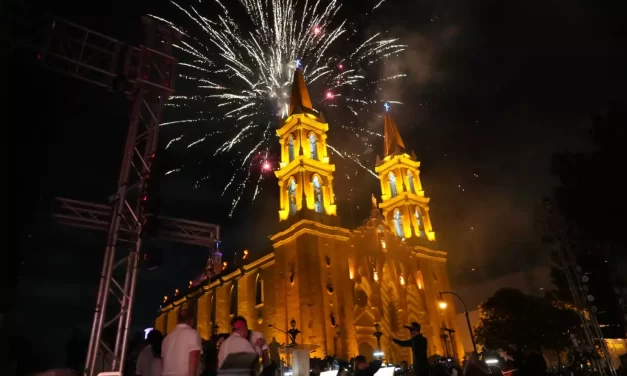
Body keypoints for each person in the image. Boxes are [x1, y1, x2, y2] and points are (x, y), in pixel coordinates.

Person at [162, 309, 202, 376]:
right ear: (191, 320)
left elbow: (163, 362)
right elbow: (194, 356)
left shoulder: (167, 338)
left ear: (178, 321)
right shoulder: (193, 334)